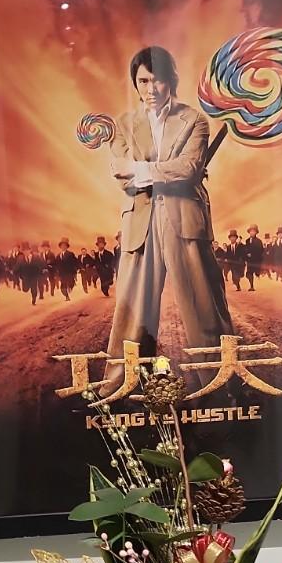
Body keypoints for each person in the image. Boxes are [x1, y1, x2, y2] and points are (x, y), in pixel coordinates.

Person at [105, 44, 232, 368]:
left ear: (171, 80)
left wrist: (140, 169)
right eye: (143, 81)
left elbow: (189, 169)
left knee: (205, 308)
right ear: (135, 83)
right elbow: (123, 178)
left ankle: (218, 382)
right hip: (140, 222)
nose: (151, 89)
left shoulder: (194, 120)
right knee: (131, 315)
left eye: (157, 80)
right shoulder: (122, 124)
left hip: (185, 220)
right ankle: (123, 383)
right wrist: (159, 172)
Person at [243, 224, 264, 291]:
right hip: (250, 261)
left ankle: (258, 274)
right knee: (249, 273)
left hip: (256, 260)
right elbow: (246, 249)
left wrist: (252, 254)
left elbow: (260, 251)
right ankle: (251, 286)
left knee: (256, 272)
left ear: (256, 232)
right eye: (251, 231)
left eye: (253, 231)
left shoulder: (259, 241)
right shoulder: (247, 240)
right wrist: (247, 254)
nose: (252, 233)